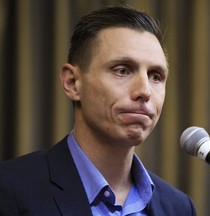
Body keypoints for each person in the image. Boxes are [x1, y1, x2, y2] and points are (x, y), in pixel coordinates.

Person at [0, 6, 197, 216]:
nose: (145, 91)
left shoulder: (179, 207)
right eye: (122, 70)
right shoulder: (11, 189)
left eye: (156, 76)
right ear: (72, 82)